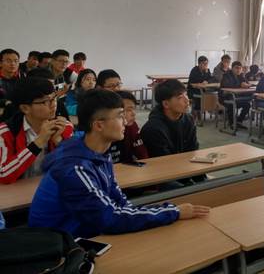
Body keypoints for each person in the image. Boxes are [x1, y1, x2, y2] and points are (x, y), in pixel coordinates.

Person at [28, 89, 209, 238]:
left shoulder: (98, 152)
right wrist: (173, 212)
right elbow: (110, 219)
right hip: (59, 245)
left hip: (85, 231)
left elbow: (119, 202)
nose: (126, 121)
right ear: (99, 125)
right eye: (120, 116)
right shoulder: (75, 168)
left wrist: (160, 213)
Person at [0, 77, 73, 184]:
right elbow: (3, 174)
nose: (53, 104)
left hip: (49, 189)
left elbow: (74, 168)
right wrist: (39, 142)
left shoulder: (64, 126)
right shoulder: (6, 132)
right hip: (17, 191)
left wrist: (59, 142)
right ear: (25, 108)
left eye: (54, 98)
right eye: (45, 101)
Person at [141, 79, 200, 158]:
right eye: (180, 97)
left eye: (186, 94)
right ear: (166, 104)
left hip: (185, 163)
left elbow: (193, 149)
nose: (187, 100)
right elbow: (163, 160)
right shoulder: (152, 129)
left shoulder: (189, 119)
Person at [109, 91, 148, 164]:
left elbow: (143, 156)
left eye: (134, 109)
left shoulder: (132, 127)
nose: (134, 113)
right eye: (128, 110)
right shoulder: (105, 132)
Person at [219, 61, 251, 129]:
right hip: (225, 97)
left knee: (247, 105)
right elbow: (227, 85)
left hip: (236, 97)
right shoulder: (226, 75)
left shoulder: (241, 75)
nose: (238, 70)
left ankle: (239, 121)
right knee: (231, 104)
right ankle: (232, 123)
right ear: (232, 68)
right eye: (236, 68)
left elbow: (246, 83)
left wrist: (247, 84)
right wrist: (240, 85)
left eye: (240, 68)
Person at [187, 56, 215, 120]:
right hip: (193, 90)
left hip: (202, 90)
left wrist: (207, 81)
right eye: (204, 64)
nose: (206, 65)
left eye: (207, 63)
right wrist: (203, 78)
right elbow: (193, 81)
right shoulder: (194, 70)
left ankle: (205, 111)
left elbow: (211, 79)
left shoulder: (207, 70)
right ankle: (196, 114)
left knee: (211, 94)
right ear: (199, 64)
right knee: (200, 97)